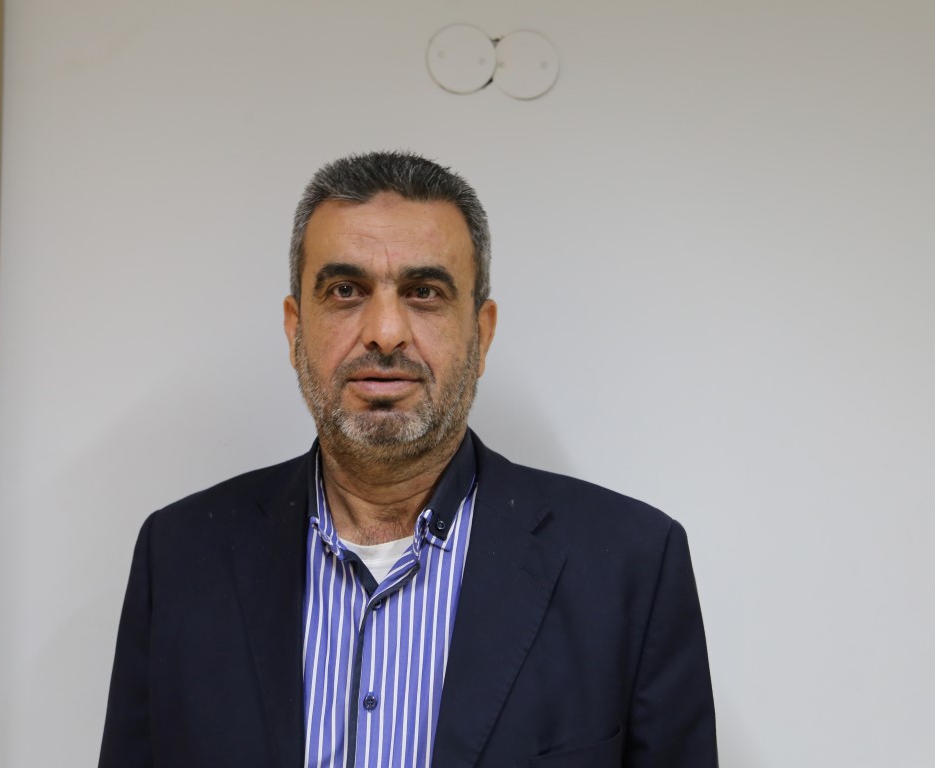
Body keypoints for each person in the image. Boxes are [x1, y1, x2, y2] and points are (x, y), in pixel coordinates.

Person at [99, 151, 717, 767]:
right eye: (346, 291)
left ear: (482, 334)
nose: (386, 331)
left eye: (424, 293)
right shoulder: (177, 558)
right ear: (295, 329)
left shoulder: (632, 567)